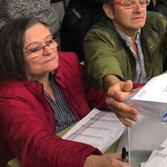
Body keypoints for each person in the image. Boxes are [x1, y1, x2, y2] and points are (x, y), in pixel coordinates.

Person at [0, 17, 132, 167]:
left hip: (89, 144)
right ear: (13, 57)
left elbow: (98, 94)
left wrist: (128, 92)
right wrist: (93, 162)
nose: (49, 50)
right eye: (35, 49)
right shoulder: (7, 96)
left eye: (49, 41)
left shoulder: (66, 63)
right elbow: (36, 145)